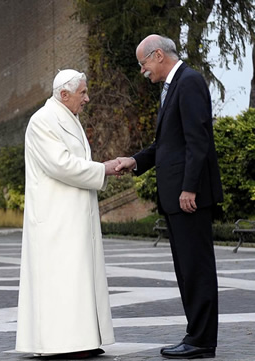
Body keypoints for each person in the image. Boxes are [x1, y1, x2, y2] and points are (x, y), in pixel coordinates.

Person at [115, 34, 223, 359]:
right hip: (176, 196)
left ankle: (202, 340)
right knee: (186, 270)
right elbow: (168, 145)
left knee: (197, 268)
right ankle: (196, 335)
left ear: (158, 55)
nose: (142, 70)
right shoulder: (172, 87)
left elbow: (198, 139)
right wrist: (135, 161)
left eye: (143, 63)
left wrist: (189, 187)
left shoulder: (188, 82)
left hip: (188, 196)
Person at [15, 69, 118, 358]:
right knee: (61, 281)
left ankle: (81, 340)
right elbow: (61, 165)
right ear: (64, 94)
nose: (87, 98)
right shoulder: (43, 121)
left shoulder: (66, 118)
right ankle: (61, 345)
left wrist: (101, 169)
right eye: (82, 93)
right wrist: (104, 168)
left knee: (77, 279)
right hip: (55, 219)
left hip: (73, 215)